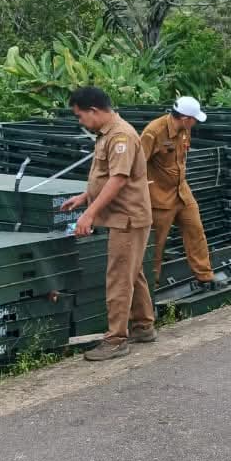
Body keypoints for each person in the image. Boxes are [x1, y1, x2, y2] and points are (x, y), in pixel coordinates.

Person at [59, 87, 155, 361]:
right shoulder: (107, 134)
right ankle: (143, 326)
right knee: (132, 272)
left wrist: (89, 214)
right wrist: (84, 197)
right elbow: (105, 176)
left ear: (93, 111)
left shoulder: (121, 136)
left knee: (119, 277)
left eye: (80, 116)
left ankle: (116, 340)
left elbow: (119, 179)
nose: (80, 121)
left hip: (127, 218)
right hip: (124, 216)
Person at [140, 97, 219, 291]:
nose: (196, 122)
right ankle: (150, 287)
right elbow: (137, 165)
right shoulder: (153, 132)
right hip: (159, 196)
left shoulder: (185, 129)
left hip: (182, 192)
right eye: (194, 119)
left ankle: (205, 277)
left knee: (196, 231)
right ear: (185, 118)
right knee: (156, 244)